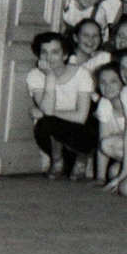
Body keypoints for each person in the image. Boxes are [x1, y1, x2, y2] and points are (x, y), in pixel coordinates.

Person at [26, 30, 95, 180]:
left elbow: (81, 117)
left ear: (65, 55)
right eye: (44, 52)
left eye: (55, 52)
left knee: (82, 121)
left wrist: (47, 112)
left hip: (81, 128)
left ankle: (82, 159)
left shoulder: (81, 74)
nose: (49, 58)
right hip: (57, 129)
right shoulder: (35, 76)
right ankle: (58, 161)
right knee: (44, 125)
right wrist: (50, 76)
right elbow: (47, 110)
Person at [93, 62, 127, 190]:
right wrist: (100, 177)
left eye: (113, 82)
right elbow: (102, 140)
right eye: (103, 83)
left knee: (111, 145)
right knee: (113, 171)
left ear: (123, 83)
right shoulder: (104, 103)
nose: (107, 87)